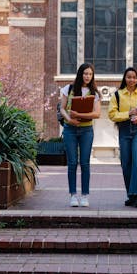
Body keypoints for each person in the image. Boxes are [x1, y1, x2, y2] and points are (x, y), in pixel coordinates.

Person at [108, 66, 137, 208]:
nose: (132, 80)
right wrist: (128, 114)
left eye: (134, 77)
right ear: (125, 78)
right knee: (126, 163)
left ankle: (136, 195)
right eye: (129, 77)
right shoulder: (117, 95)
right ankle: (131, 195)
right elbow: (112, 114)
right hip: (124, 130)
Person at [59, 63, 101, 207]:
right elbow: (62, 108)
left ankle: (84, 196)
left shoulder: (94, 93)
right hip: (70, 130)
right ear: (80, 74)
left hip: (86, 131)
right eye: (85, 73)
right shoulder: (69, 88)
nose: (87, 76)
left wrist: (79, 115)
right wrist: (70, 119)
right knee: (72, 163)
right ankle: (73, 195)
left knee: (85, 163)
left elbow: (97, 114)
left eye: (90, 74)